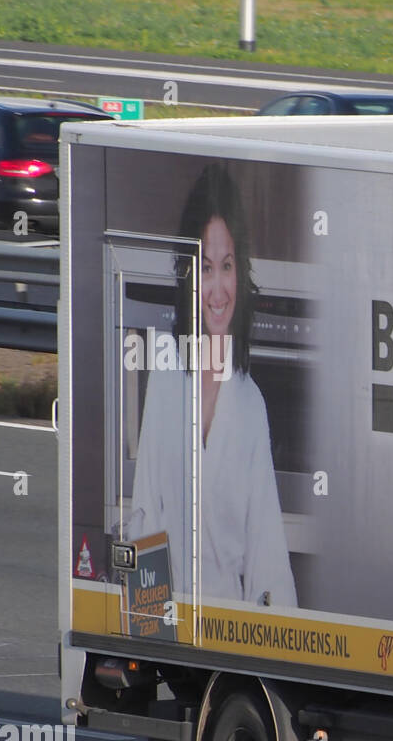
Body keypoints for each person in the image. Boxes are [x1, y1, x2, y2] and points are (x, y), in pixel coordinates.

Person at [127, 163, 297, 608]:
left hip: (231, 634)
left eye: (226, 266)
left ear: (240, 272)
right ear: (187, 275)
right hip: (172, 625)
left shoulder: (250, 405)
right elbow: (146, 514)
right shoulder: (166, 378)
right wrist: (149, 630)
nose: (217, 289)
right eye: (204, 268)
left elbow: (266, 549)